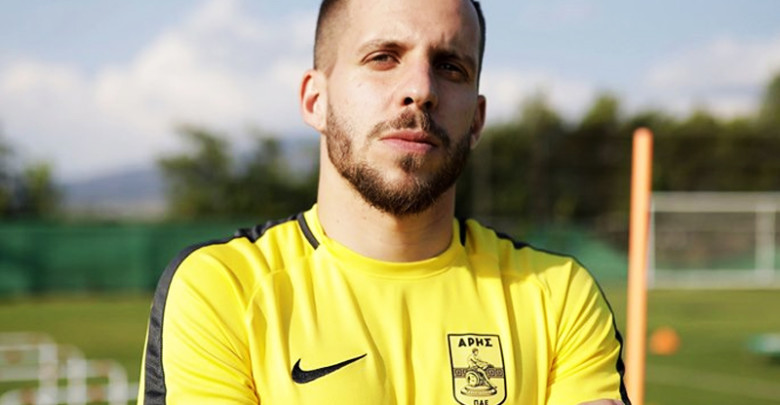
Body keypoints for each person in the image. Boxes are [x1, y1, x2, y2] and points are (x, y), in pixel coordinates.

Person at [137, 0, 631, 404]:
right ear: (315, 100)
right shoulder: (223, 289)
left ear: (477, 120)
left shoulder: (558, 296)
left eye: (450, 67)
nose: (420, 89)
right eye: (383, 57)